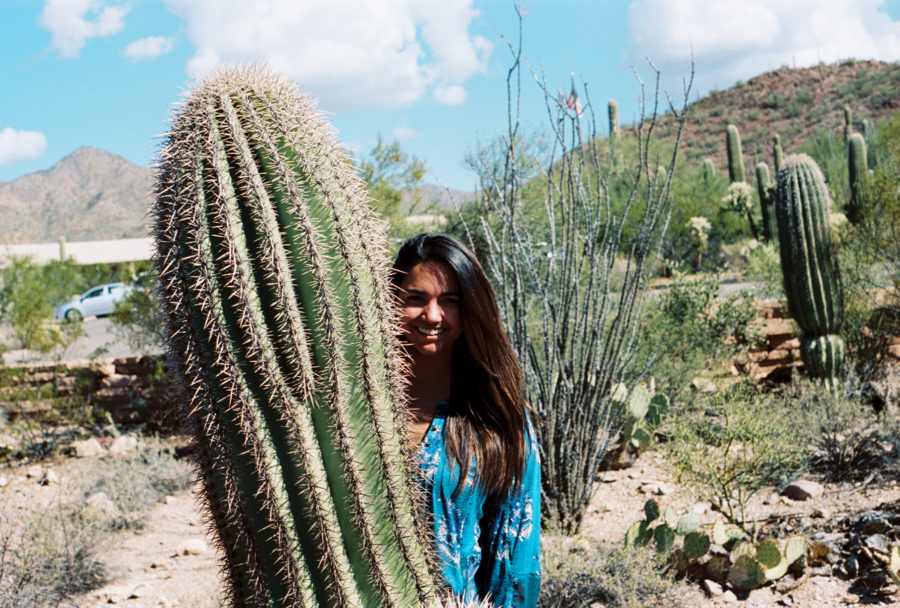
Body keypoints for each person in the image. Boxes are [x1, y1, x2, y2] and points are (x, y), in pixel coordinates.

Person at [391, 233, 541, 608]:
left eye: (450, 301)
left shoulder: (495, 415)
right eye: (415, 298)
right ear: (390, 300)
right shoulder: (352, 406)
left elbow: (515, 557)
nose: (433, 315)